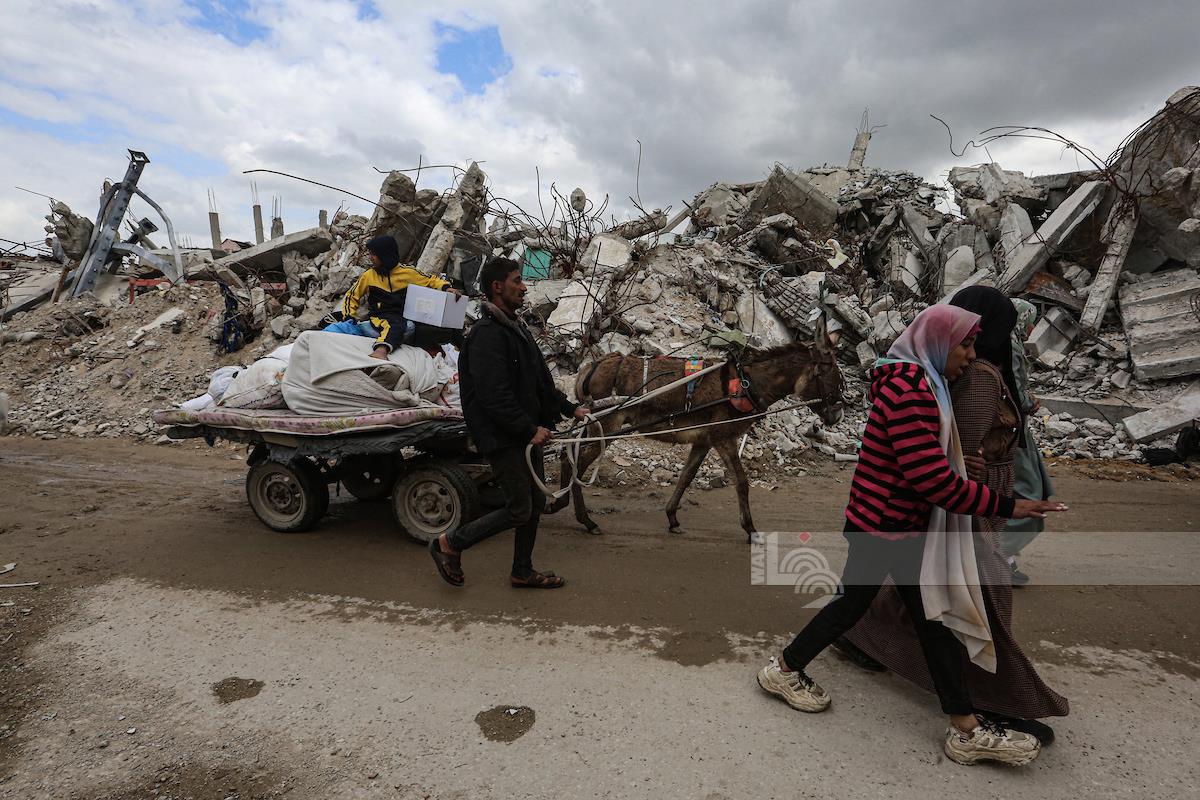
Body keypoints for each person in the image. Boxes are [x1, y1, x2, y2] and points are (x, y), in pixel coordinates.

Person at [756, 304, 1067, 767]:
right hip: (886, 526)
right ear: (937, 342)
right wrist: (1010, 504)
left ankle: (964, 726)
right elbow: (932, 480)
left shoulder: (921, 383)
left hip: (893, 525)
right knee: (870, 609)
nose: (970, 354)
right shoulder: (909, 390)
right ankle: (786, 669)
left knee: (924, 619)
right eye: (963, 343)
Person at [842, 287, 1069, 749]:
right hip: (966, 508)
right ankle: (996, 702)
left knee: (931, 603)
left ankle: (959, 702)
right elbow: (944, 465)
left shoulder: (957, 373)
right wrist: (1000, 500)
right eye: (965, 339)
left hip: (951, 507)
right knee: (977, 603)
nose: (969, 348)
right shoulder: (975, 377)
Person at [429, 256, 589, 589]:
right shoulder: (486, 335)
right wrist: (528, 429)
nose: (524, 286)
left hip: (524, 434)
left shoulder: (515, 328)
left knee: (533, 506)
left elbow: (540, 382)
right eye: (517, 280)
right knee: (519, 509)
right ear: (497, 287)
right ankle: (450, 543)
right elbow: (494, 396)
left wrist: (570, 408)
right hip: (503, 436)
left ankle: (522, 570)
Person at [336, 235, 461, 359]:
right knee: (394, 325)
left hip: (403, 314)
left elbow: (430, 280)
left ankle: (460, 348)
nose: (371, 258)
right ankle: (381, 349)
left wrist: (446, 287)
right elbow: (352, 295)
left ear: (385, 255)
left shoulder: (408, 272)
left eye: (373, 254)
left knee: (437, 328)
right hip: (380, 315)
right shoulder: (369, 275)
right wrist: (348, 315)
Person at [1002, 298, 1053, 585]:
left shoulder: (1002, 342)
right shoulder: (1009, 346)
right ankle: (999, 555)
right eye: (1030, 319)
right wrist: (1029, 403)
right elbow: (1014, 391)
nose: (1032, 327)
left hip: (1015, 430)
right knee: (1028, 492)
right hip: (1013, 432)